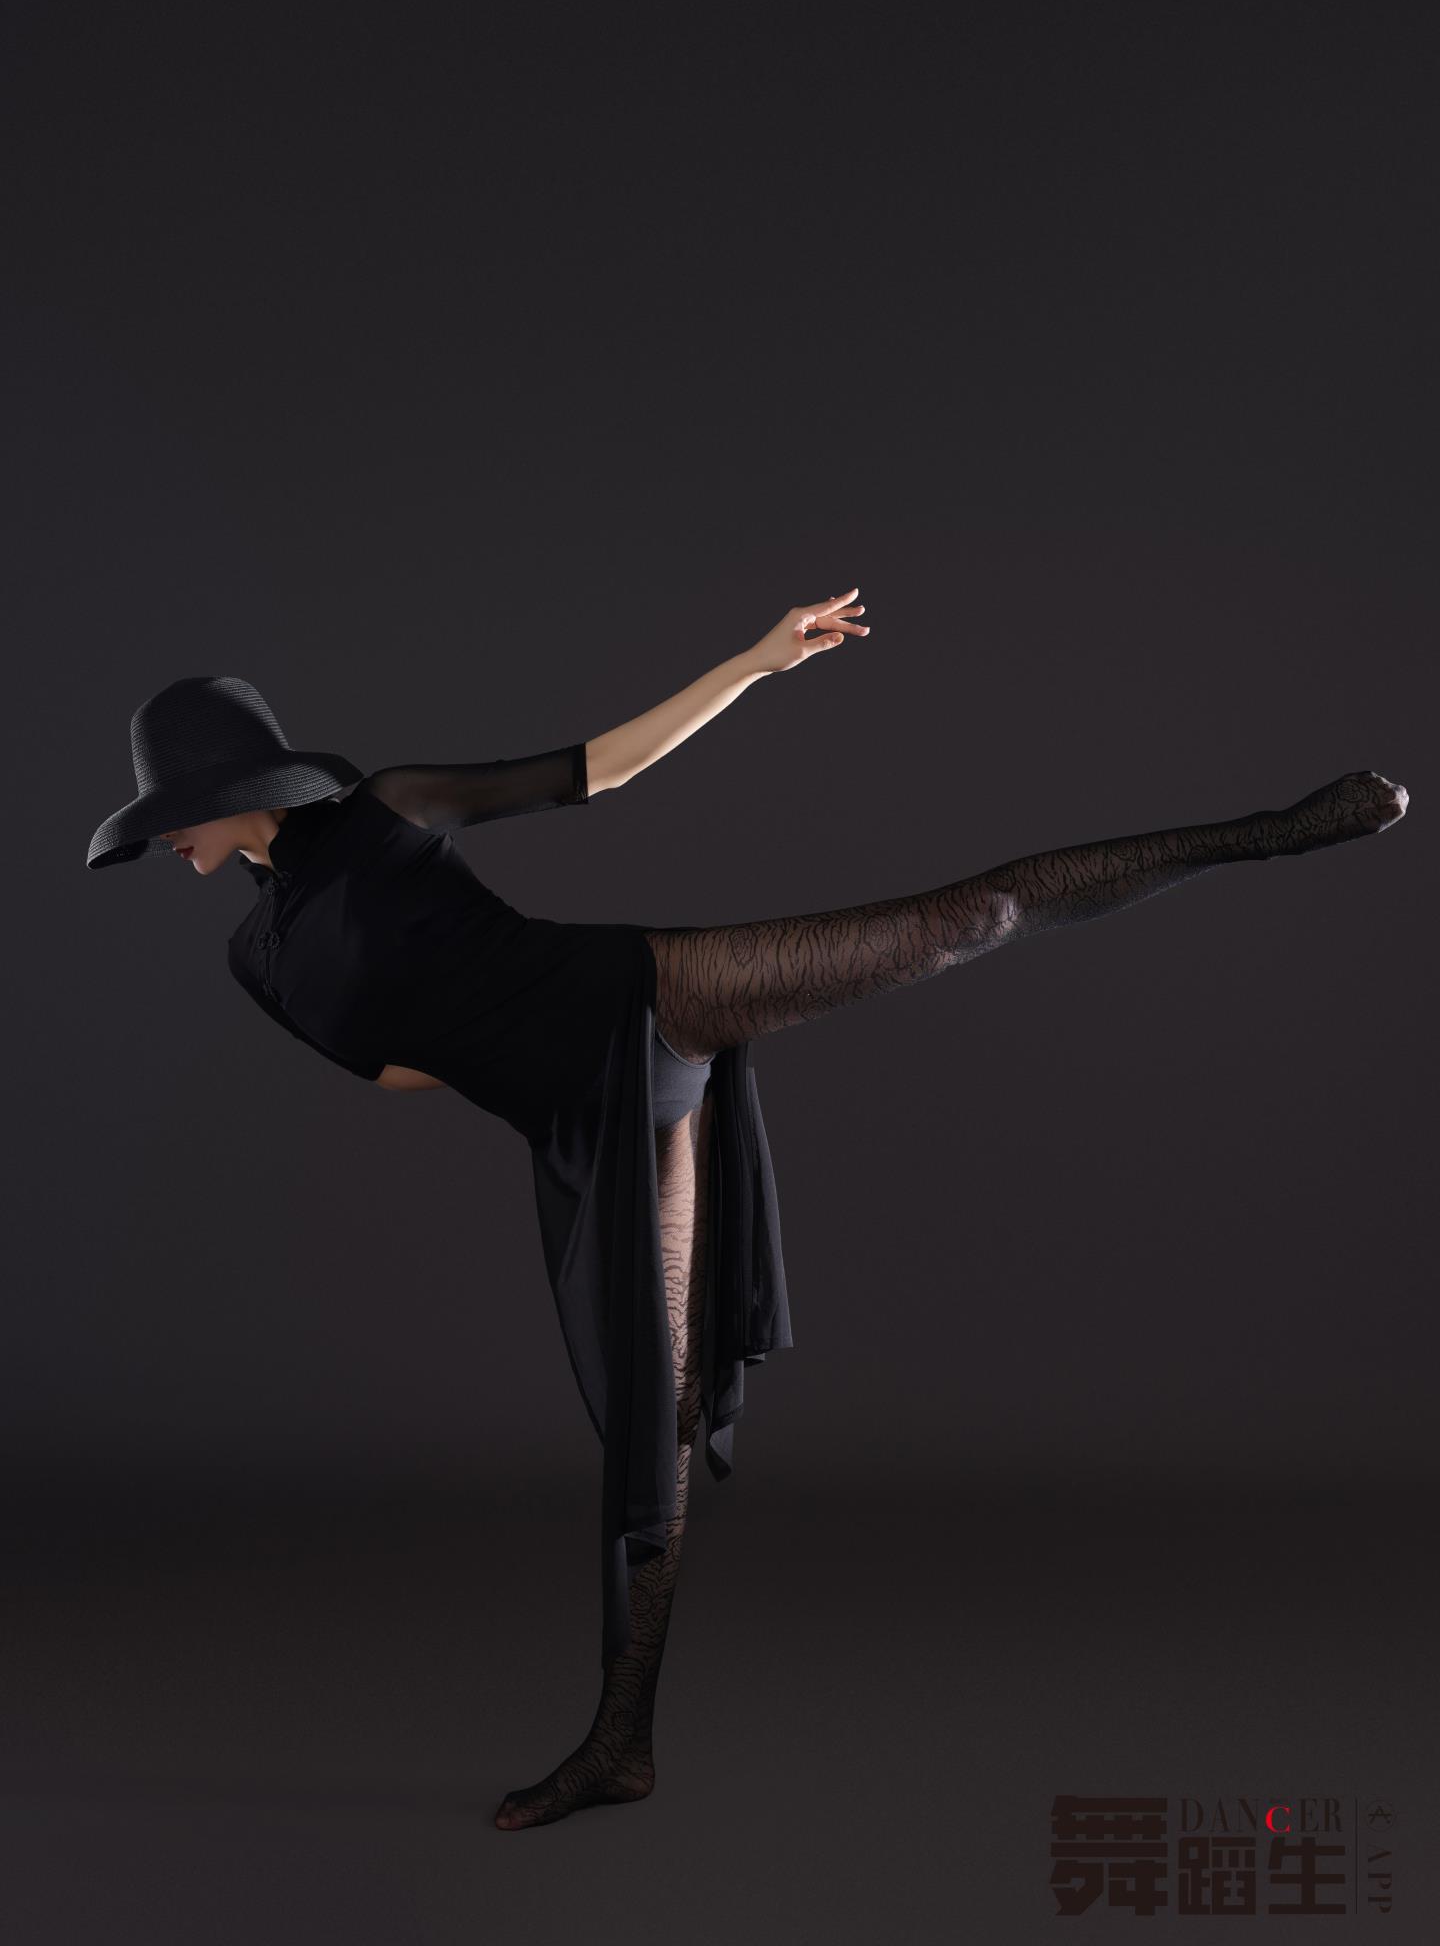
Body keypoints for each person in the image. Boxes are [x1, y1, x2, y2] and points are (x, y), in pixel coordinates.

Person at [87, 594, 1409, 1832]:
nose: (167, 843)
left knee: (968, 919)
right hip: (584, 1120)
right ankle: (622, 1745)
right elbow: (392, 1069)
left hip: (637, 1001)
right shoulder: (256, 957)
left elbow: (597, 768)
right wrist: (508, 1059)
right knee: (648, 1427)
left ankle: (1271, 832)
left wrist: (756, 664)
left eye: (173, 818)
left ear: (242, 791)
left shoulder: (390, 810)